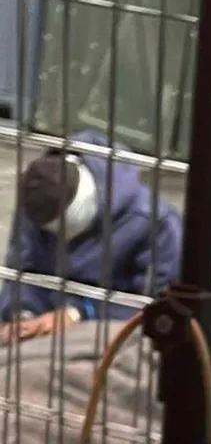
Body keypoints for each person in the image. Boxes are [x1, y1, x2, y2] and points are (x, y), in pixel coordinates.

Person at [0, 130, 183, 343]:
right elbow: (22, 271)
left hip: (111, 333)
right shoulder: (37, 199)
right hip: (43, 327)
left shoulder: (156, 223)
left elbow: (155, 307)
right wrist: (23, 314)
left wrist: (79, 313)